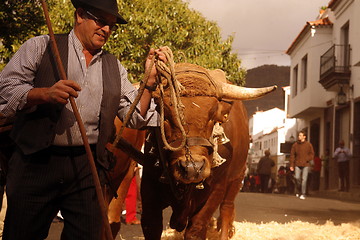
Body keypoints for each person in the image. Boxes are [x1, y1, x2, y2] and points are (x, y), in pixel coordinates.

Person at [0, 0, 167, 239]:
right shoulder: (40, 46)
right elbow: (5, 88)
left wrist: (149, 84)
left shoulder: (114, 66)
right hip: (35, 162)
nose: (106, 29)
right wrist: (43, 94)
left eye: (111, 25)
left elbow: (136, 117)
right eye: (100, 21)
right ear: (80, 15)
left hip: (88, 165)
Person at [290, 130, 314, 200]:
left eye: (300, 135)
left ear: (304, 137)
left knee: (304, 179)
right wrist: (291, 165)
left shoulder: (309, 145)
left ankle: (303, 193)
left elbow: (312, 154)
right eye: (298, 135)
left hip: (305, 164)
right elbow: (292, 155)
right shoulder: (295, 145)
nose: (299, 137)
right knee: (297, 178)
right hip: (297, 164)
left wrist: (307, 159)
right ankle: (298, 189)